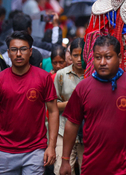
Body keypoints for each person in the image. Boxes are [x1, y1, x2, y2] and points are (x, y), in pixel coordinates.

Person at [59, 35, 126, 175]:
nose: (102, 62)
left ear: (120, 58)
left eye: (108, 57)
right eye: (98, 57)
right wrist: (65, 160)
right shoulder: (83, 88)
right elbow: (72, 123)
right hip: (93, 167)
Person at [0, 31, 59, 173]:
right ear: (8, 53)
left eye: (23, 49)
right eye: (14, 50)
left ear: (30, 51)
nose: (18, 54)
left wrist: (51, 146)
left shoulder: (43, 78)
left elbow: (53, 112)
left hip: (35, 151)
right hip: (5, 152)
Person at [54, 38, 85, 175]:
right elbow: (53, 105)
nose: (79, 59)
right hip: (64, 129)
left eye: (82, 55)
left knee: (87, 169)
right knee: (62, 170)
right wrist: (72, 104)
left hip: (87, 131)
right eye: (75, 55)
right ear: (70, 56)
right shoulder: (61, 75)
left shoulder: (92, 74)